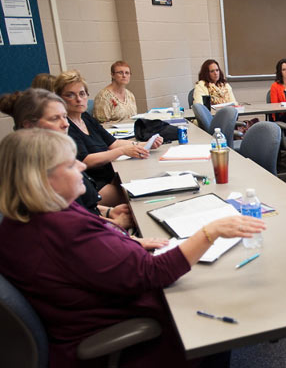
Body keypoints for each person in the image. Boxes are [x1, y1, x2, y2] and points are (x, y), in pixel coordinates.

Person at [0, 128, 265, 367]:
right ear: (41, 180)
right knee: (218, 322)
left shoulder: (27, 218)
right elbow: (154, 272)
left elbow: (87, 250)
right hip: (119, 330)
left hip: (82, 314)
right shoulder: (64, 229)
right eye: (70, 164)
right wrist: (211, 231)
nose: (82, 166)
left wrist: (129, 239)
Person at [0, 88, 166, 250]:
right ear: (29, 125)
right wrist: (119, 229)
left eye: (64, 117)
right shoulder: (44, 169)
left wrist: (107, 212)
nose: (65, 124)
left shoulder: (55, 152)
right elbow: (74, 226)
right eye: (55, 118)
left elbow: (79, 211)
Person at [54, 70, 162, 206]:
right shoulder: (66, 127)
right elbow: (86, 160)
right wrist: (123, 151)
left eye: (82, 94)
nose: (79, 99)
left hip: (111, 175)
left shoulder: (86, 118)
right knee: (142, 199)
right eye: (70, 95)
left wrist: (142, 144)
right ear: (60, 99)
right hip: (94, 184)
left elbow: (114, 143)